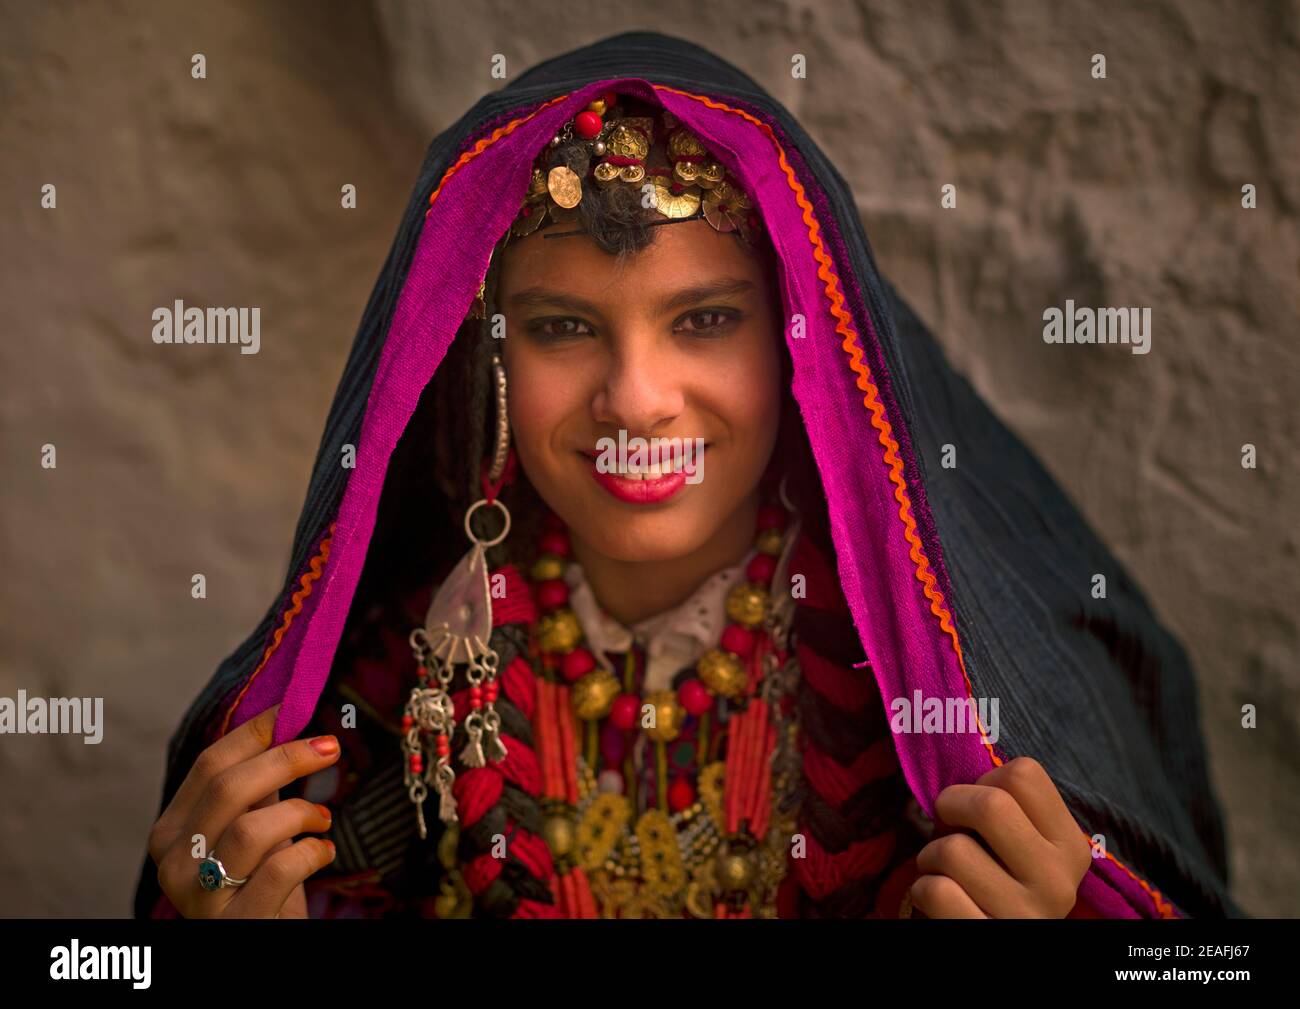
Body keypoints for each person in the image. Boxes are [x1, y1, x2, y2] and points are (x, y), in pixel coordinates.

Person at [135, 32, 1233, 919]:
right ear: (487, 355)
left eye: (704, 320)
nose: (637, 396)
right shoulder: (412, 675)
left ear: (800, 340)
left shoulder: (931, 698)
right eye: (564, 327)